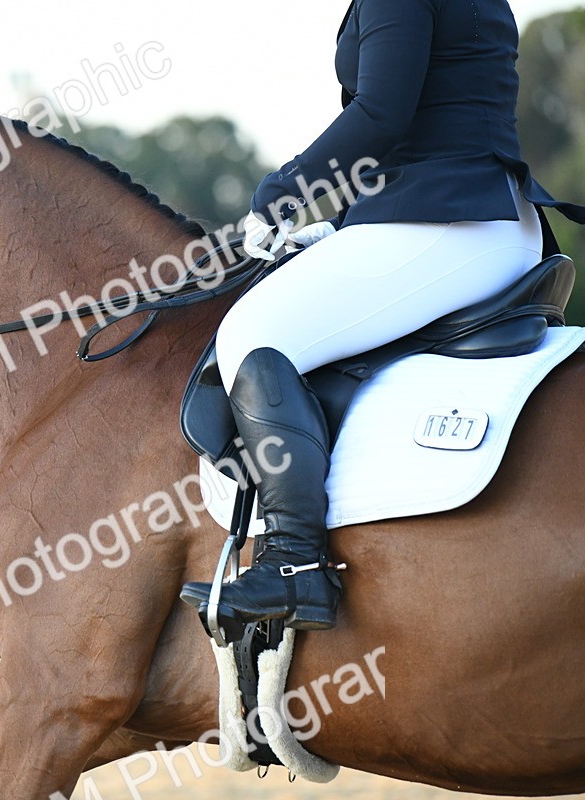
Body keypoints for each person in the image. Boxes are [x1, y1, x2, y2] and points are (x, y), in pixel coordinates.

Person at [180, 0, 585, 631]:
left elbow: (381, 115)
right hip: (476, 217)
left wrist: (281, 195)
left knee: (252, 336)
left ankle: (294, 565)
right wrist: (340, 228)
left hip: (452, 221)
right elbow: (431, 122)